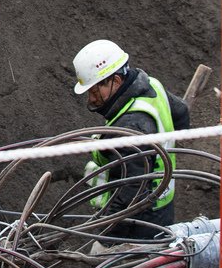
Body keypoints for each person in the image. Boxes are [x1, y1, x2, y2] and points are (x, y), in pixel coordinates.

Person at [72, 39, 191, 242]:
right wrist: (164, 151)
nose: (91, 99)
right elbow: (181, 112)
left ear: (116, 81)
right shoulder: (152, 85)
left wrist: (108, 237)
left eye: (94, 91)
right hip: (162, 207)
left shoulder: (132, 127)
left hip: (141, 222)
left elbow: (131, 195)